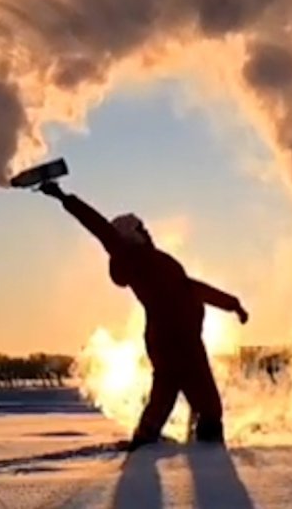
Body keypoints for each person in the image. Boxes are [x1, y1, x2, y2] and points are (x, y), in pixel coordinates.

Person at [37, 181, 248, 450]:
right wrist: (64, 197)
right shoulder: (136, 259)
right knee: (205, 405)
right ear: (131, 235)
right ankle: (208, 453)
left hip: (171, 340)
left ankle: (147, 441)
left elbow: (192, 288)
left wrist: (233, 304)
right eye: (140, 229)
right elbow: (100, 228)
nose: (147, 232)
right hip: (178, 341)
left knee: (165, 396)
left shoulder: (152, 260)